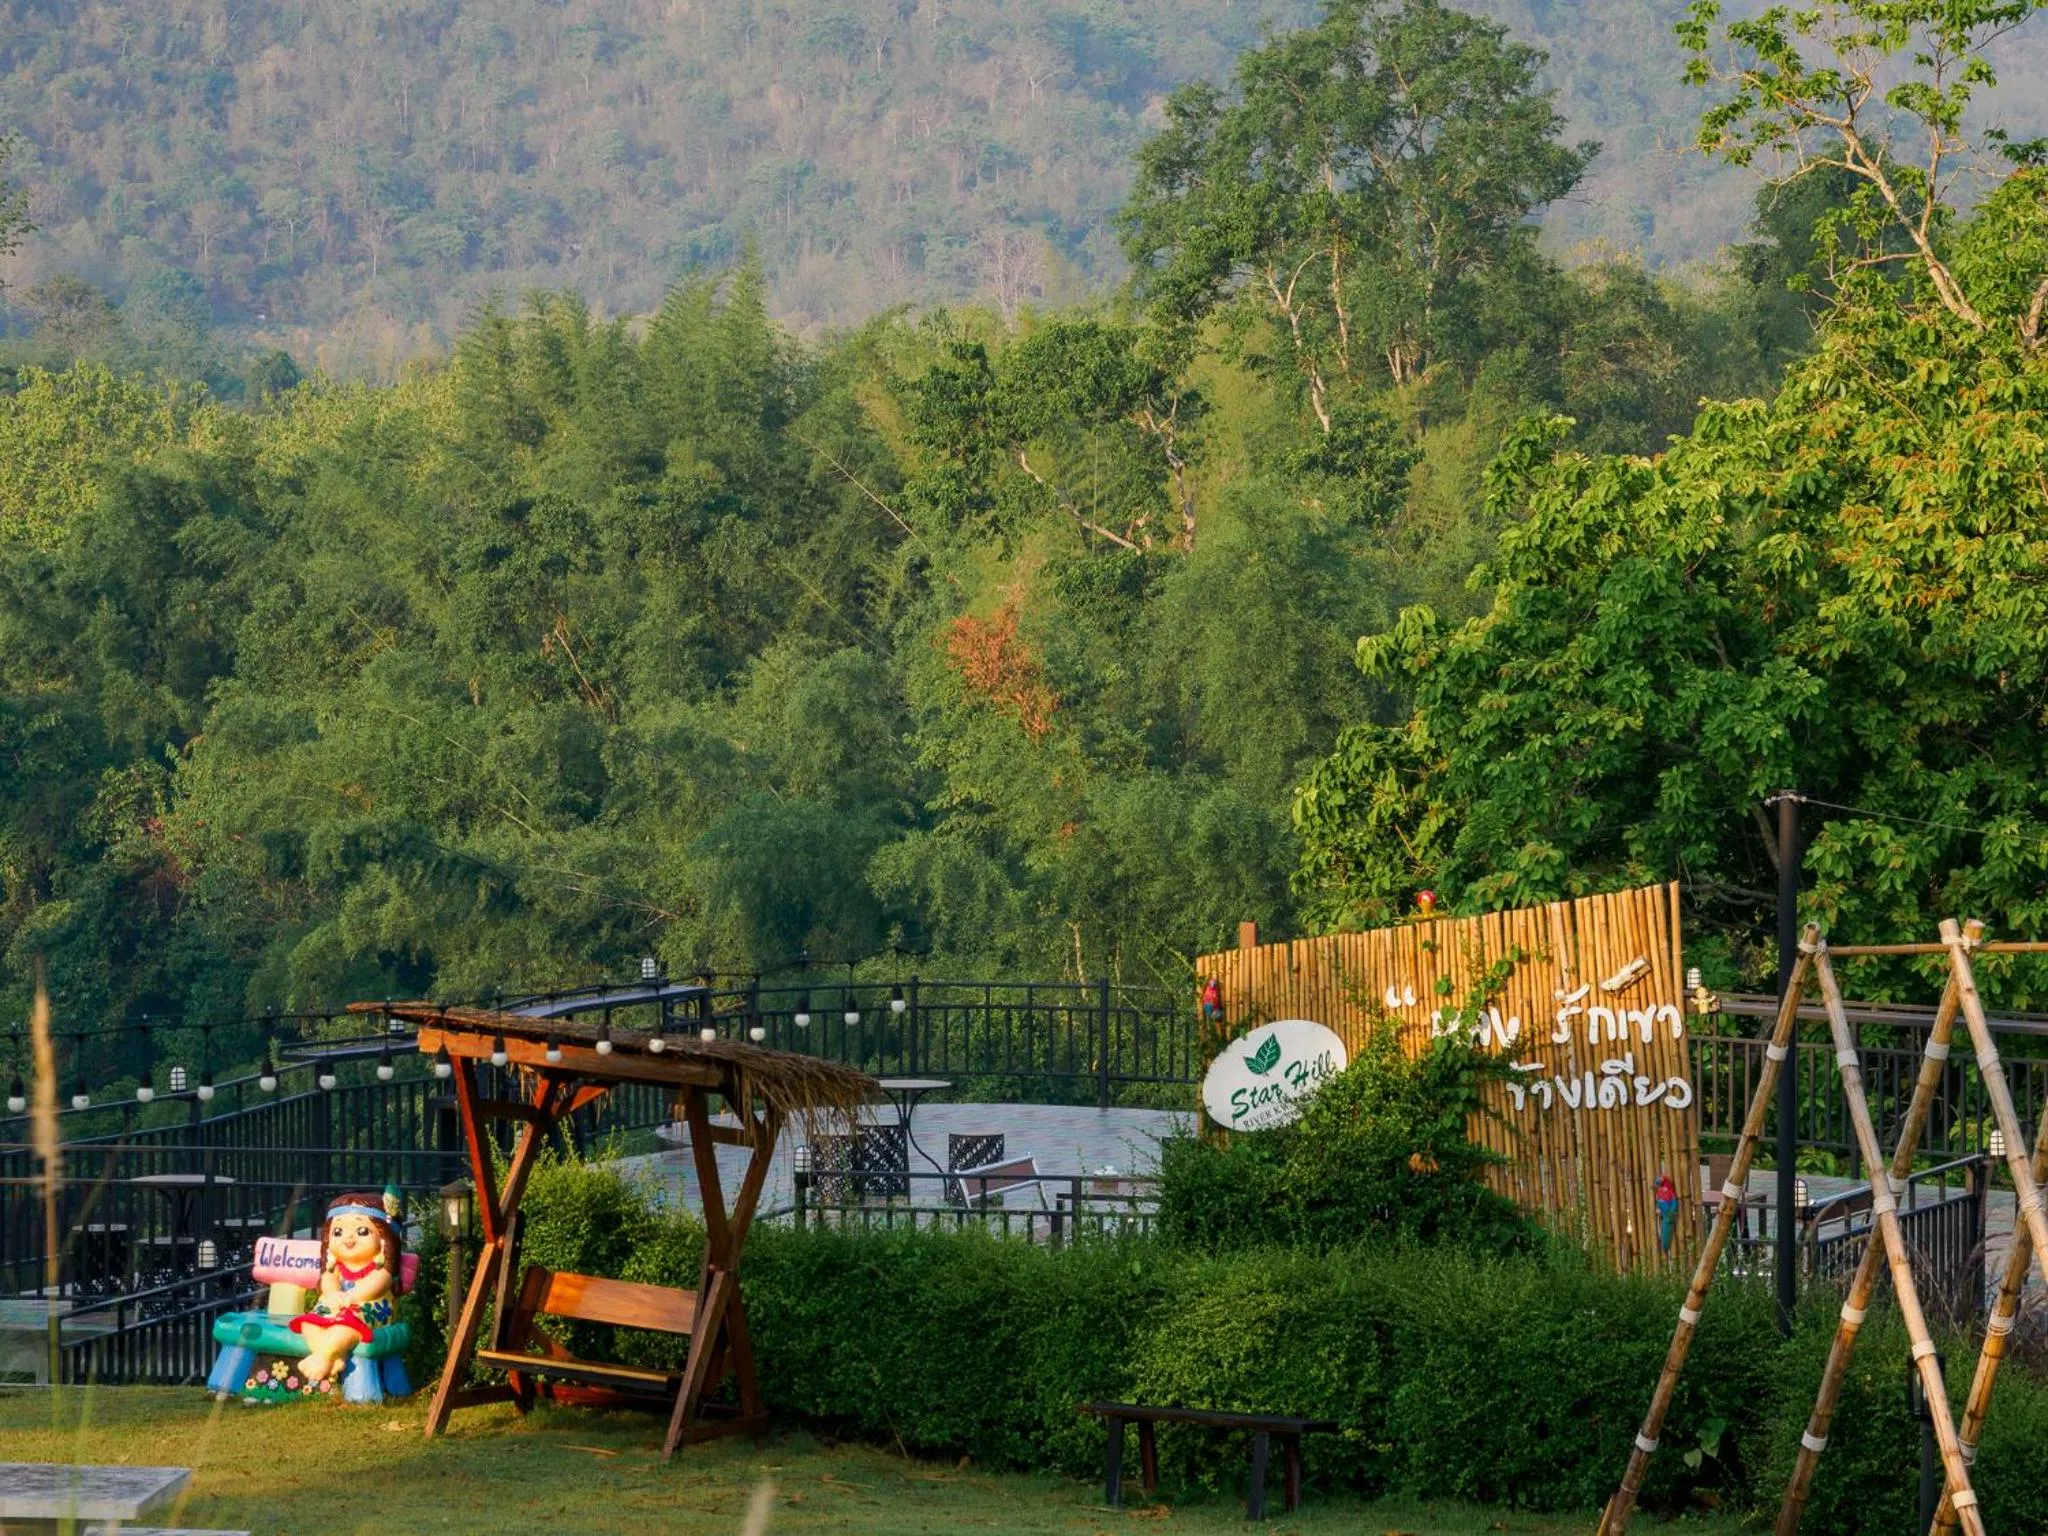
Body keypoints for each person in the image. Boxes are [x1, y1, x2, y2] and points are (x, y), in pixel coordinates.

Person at [290, 1189, 401, 1384]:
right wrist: (333, 1293)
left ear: (383, 1238)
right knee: (308, 1322)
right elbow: (328, 1279)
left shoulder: (379, 1268)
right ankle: (334, 1356)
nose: (348, 1239)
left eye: (362, 1231)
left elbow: (376, 1285)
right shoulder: (336, 1266)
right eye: (338, 1232)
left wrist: (351, 1297)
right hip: (335, 1305)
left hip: (369, 1308)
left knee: (345, 1327)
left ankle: (323, 1357)